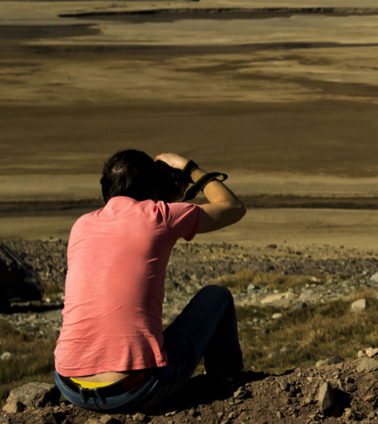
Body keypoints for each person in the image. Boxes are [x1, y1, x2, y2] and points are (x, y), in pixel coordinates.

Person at [53, 150, 249, 414]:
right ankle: (227, 385)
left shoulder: (81, 225)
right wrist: (189, 168)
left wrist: (159, 195)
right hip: (136, 388)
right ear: (155, 185)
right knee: (218, 297)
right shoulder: (161, 216)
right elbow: (233, 207)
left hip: (70, 384)